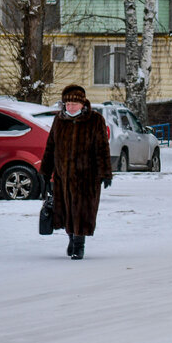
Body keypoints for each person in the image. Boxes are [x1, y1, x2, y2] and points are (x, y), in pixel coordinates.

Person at [39, 85, 112, 259]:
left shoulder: (95, 120)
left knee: (82, 210)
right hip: (63, 176)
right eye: (68, 104)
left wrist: (106, 173)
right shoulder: (59, 120)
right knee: (65, 209)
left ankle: (79, 244)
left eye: (74, 103)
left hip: (87, 177)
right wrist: (45, 171)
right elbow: (51, 147)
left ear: (82, 103)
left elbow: (102, 148)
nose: (70, 107)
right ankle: (71, 237)